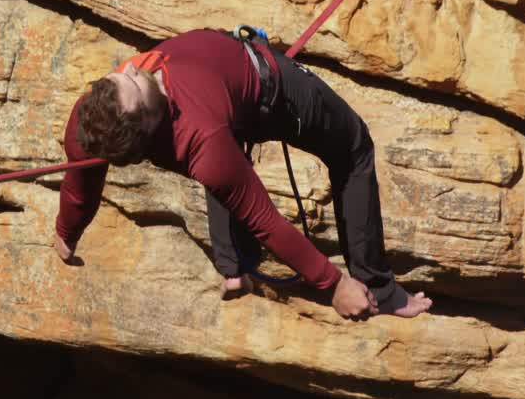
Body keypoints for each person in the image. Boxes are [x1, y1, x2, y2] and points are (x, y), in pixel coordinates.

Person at [53, 28, 432, 319]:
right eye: (135, 83)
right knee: (354, 147)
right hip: (272, 95)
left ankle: (232, 267)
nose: (134, 67)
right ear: (150, 121)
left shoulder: (90, 118)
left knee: (225, 173)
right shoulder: (206, 141)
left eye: (120, 75)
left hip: (223, 115)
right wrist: (333, 285)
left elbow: (80, 185)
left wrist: (66, 234)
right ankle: (379, 288)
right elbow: (266, 221)